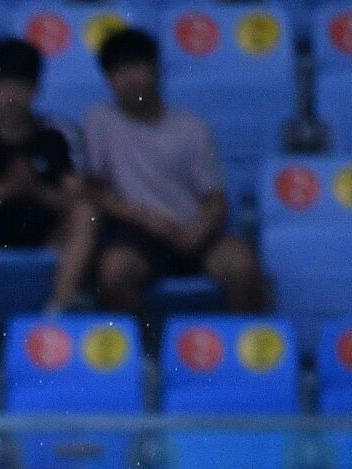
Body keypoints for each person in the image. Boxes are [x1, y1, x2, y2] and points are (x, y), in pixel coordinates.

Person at [84, 27, 266, 315]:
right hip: (139, 238)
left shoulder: (192, 128)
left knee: (243, 266)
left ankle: (248, 355)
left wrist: (197, 232)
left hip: (194, 232)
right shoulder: (99, 122)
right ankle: (140, 356)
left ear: (157, 69)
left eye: (137, 67)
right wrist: (145, 219)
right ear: (108, 79)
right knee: (114, 272)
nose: (130, 79)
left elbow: (216, 200)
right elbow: (93, 190)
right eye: (119, 71)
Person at [0, 38, 95, 315]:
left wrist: (35, 189)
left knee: (86, 213)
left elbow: (76, 197)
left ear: (36, 88)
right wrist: (6, 189)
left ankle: (59, 308)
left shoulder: (59, 134)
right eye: (2, 86)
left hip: (49, 235)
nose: (11, 96)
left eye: (20, 85)